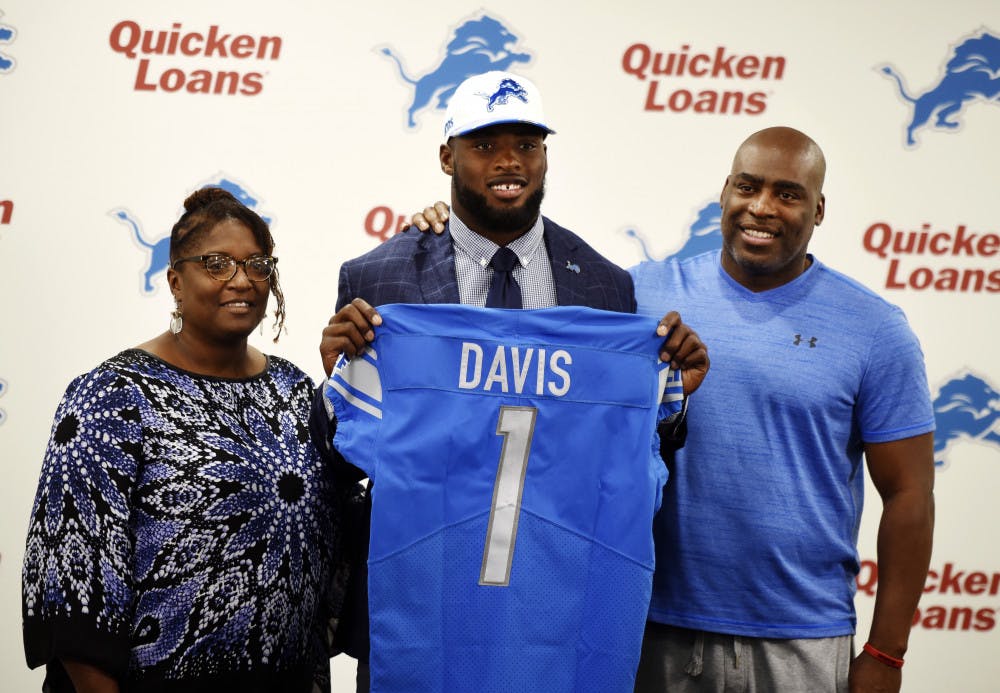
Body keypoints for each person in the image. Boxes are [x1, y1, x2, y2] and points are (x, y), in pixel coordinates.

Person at [411, 126, 935, 693]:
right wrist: (450, 233)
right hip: (643, 626)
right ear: (724, 193)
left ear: (820, 208)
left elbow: (908, 495)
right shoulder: (638, 297)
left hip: (802, 637)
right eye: (747, 186)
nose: (761, 207)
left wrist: (887, 652)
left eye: (788, 194)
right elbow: (517, 358)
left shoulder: (875, 329)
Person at [316, 70, 709, 692]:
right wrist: (335, 380)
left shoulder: (607, 287)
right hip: (423, 604)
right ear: (447, 155)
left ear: (546, 155)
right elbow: (344, 457)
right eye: (484, 145)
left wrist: (673, 398)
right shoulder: (379, 278)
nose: (508, 162)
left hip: (555, 606)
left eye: (527, 144)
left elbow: (629, 448)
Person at [22, 187, 348, 692]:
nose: (241, 280)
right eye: (215, 264)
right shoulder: (112, 395)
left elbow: (335, 530)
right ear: (175, 280)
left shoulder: (294, 390)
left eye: (257, 264)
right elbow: (73, 591)